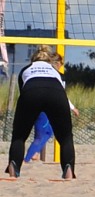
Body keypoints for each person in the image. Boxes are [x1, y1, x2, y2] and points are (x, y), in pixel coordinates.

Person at [5, 47, 76, 180]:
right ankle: (69, 170)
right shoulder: (56, 72)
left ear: (33, 60)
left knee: (19, 136)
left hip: (31, 93)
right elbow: (62, 91)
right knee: (65, 137)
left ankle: (13, 167)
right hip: (56, 94)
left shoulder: (25, 69)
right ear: (49, 61)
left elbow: (23, 91)